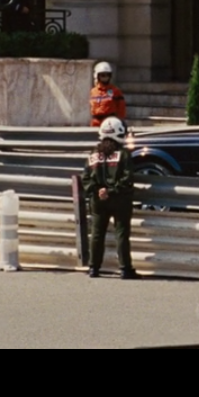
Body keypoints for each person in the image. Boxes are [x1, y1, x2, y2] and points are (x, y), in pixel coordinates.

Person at [84, 117, 138, 279]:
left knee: (96, 234)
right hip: (120, 199)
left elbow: (85, 179)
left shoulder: (93, 154)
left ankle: (93, 268)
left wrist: (98, 191)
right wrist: (111, 191)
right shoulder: (124, 154)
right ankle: (125, 269)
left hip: (98, 200)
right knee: (121, 234)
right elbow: (127, 179)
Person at [89, 61, 127, 128]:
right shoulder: (93, 91)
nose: (105, 77)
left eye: (107, 75)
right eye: (102, 75)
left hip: (110, 122)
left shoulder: (115, 91)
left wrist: (121, 121)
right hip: (96, 122)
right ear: (97, 76)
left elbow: (121, 108)